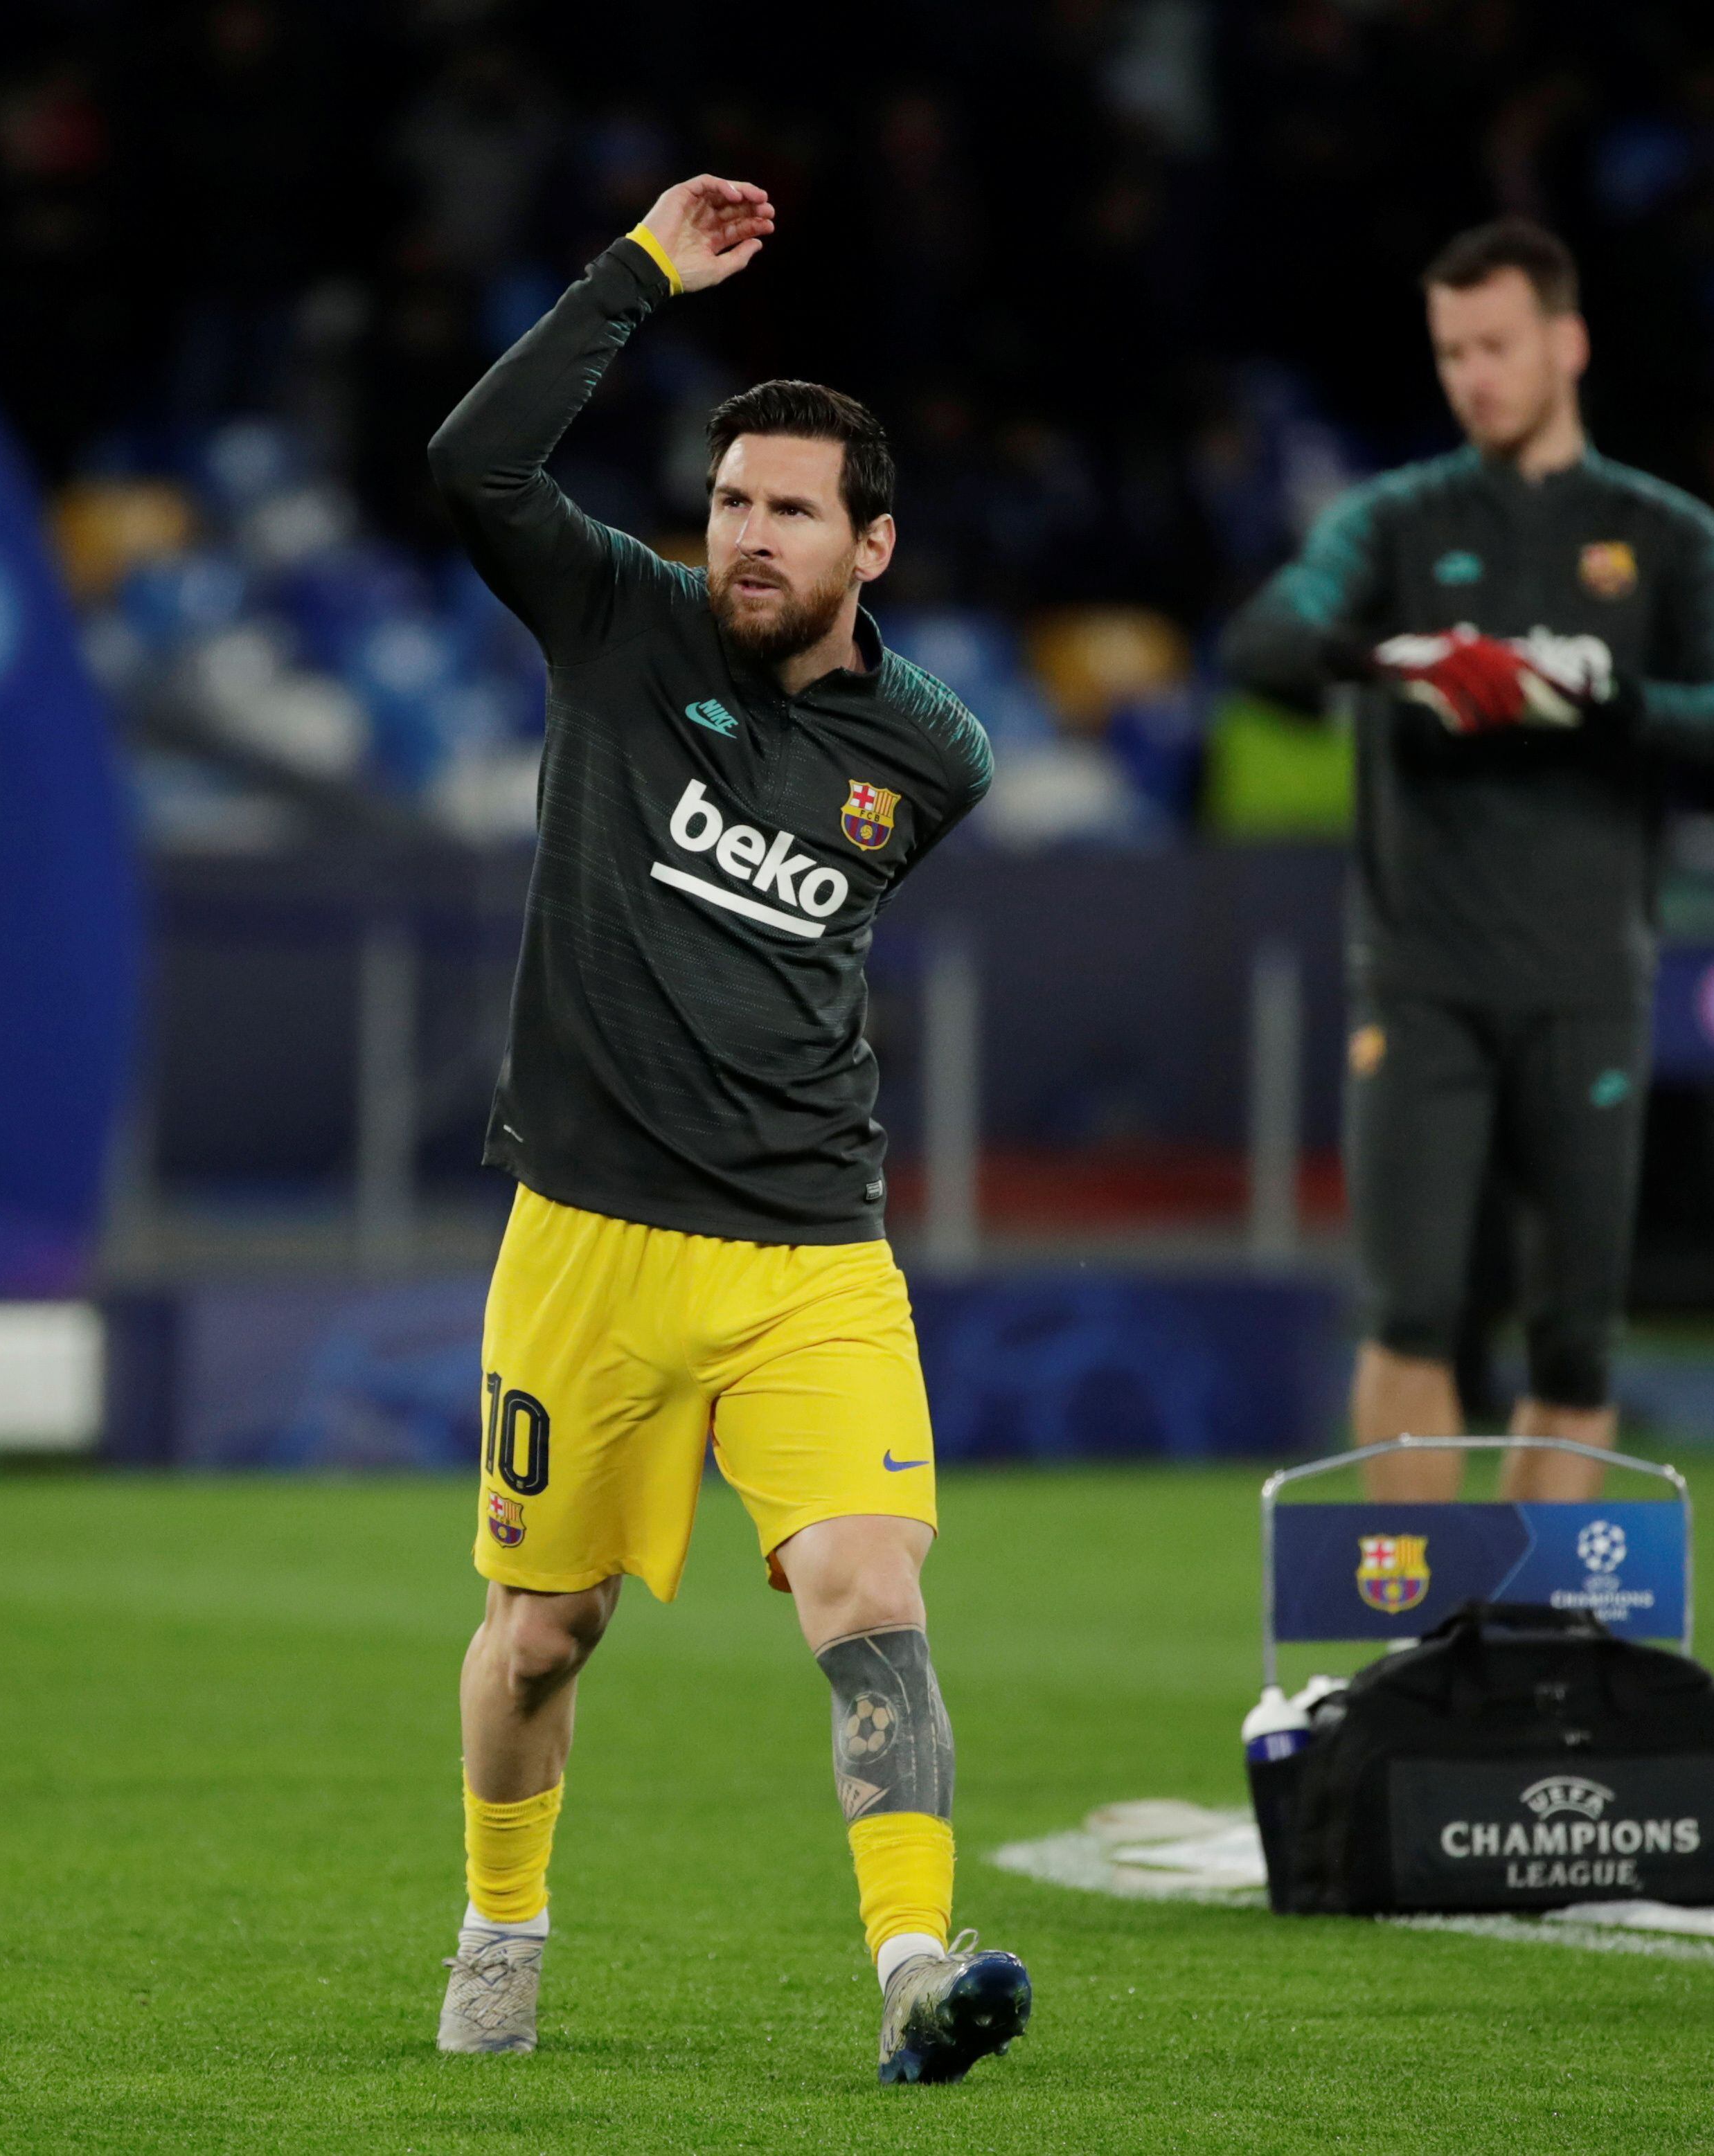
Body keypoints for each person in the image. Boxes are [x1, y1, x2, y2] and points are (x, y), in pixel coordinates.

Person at [422, 174, 1027, 2085]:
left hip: (807, 1254)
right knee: (542, 1633)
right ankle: (501, 1931)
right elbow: (468, 464)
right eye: (732, 501)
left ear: (874, 546)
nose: (744, 537)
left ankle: (914, 1972)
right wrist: (636, 277)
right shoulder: (615, 617)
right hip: (590, 1235)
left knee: (868, 1591)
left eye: (788, 512)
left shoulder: (934, 758)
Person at [1222, 219, 1714, 1503]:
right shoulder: (1395, 522)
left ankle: (1534, 1644)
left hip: (1587, 976)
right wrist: (1399, 661)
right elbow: (1265, 639)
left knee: (1576, 1327)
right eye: (1450, 352)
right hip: (1420, 975)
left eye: (1495, 345)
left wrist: (1600, 693)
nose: (1472, 375)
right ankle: (1416, 1644)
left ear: (1567, 343)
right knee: (1413, 1309)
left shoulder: (1661, 534)